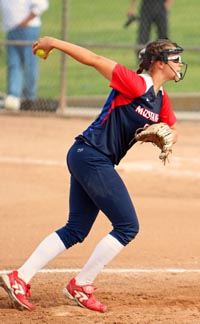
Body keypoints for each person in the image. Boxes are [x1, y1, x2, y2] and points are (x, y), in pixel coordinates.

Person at [0, 37, 187, 312]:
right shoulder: (136, 83)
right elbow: (94, 60)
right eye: (175, 59)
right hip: (91, 156)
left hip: (91, 158)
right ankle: (81, 284)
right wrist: (53, 42)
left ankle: (20, 277)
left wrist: (167, 135)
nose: (180, 64)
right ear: (159, 64)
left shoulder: (160, 99)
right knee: (127, 226)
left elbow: (173, 127)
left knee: (75, 229)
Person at [0, 0, 49, 111]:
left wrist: (26, 21)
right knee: (13, 64)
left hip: (28, 29)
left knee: (29, 63)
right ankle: (13, 97)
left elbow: (42, 5)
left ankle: (29, 98)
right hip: (11, 29)